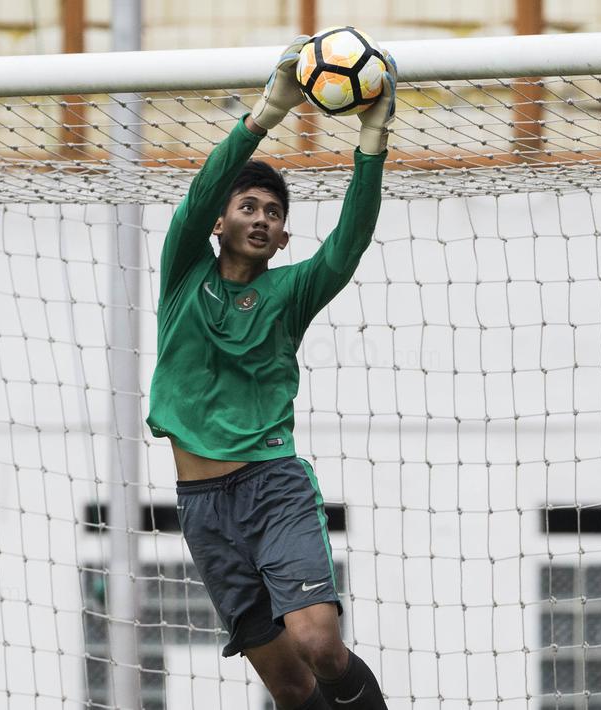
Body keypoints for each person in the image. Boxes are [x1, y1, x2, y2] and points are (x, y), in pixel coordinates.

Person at [145, 35, 396, 710]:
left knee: (319, 648)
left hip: (272, 489)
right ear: (220, 222)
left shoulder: (290, 294)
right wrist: (267, 111)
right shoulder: (182, 275)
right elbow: (196, 194)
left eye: (273, 213)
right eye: (248, 206)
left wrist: (371, 136)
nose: (260, 217)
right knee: (288, 687)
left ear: (283, 237)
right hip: (202, 509)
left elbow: (349, 241)